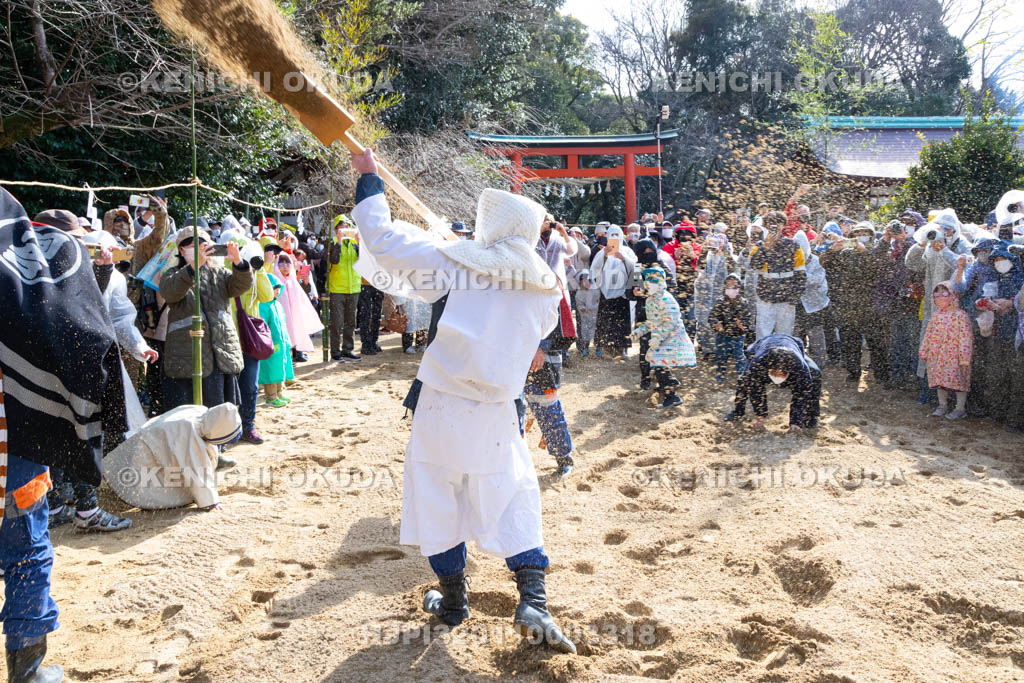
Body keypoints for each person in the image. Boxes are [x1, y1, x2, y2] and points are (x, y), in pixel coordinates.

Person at [349, 148, 575, 654]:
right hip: (499, 409)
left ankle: (454, 601)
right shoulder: (545, 286)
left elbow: (382, 242)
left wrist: (369, 180)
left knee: (437, 495)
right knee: (514, 494)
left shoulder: (452, 264)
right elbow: (532, 338)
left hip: (441, 406)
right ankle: (533, 599)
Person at [1, 187, 127, 681]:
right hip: (17, 439)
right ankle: (27, 664)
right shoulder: (19, 265)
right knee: (25, 544)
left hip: (19, 434)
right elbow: (73, 326)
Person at [159, 225, 254, 411]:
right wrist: (193, 267)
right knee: (189, 415)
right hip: (187, 356)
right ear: (181, 249)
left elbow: (240, 286)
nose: (200, 248)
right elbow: (170, 292)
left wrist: (238, 262)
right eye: (192, 245)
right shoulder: (172, 274)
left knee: (219, 414)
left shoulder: (218, 273)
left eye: (204, 244)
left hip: (220, 353)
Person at [103, 403, 241, 511]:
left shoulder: (200, 412)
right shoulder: (188, 433)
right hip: (134, 473)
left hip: (131, 453)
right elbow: (193, 472)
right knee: (186, 494)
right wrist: (210, 502)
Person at [821, 221, 890, 385]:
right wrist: (832, 250)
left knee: (877, 343)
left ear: (871, 235)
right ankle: (853, 372)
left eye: (865, 233)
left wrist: (864, 251)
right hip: (848, 306)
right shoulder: (846, 253)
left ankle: (880, 374)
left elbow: (877, 267)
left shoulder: (878, 251)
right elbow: (825, 263)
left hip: (871, 306)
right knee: (850, 342)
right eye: (858, 233)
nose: (861, 236)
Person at [906, 221, 961, 403]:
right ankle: (927, 391)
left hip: (953, 314)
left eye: (946, 229)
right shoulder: (930, 248)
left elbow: (963, 270)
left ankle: (950, 397)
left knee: (948, 354)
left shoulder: (962, 245)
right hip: (931, 311)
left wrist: (944, 250)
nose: (941, 233)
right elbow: (912, 263)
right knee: (929, 349)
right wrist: (921, 243)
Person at [725, 334, 822, 431]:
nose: (777, 376)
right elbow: (756, 390)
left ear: (789, 370)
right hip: (763, 345)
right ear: (769, 366)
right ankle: (738, 412)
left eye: (781, 374)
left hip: (793, 345)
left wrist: (796, 421)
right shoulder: (758, 363)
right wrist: (760, 416)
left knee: (815, 374)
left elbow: (802, 393)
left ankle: (812, 416)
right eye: (774, 372)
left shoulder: (800, 367)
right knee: (744, 379)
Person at [631, 266, 696, 407]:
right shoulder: (650, 300)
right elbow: (652, 322)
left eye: (653, 281)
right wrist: (639, 331)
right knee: (657, 361)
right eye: (647, 281)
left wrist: (658, 337)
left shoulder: (666, 299)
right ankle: (668, 383)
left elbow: (670, 322)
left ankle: (672, 396)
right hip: (661, 337)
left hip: (672, 337)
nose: (649, 284)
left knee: (658, 362)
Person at [873, 220, 923, 391]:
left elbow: (916, 260)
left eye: (906, 225)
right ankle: (897, 376)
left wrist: (904, 239)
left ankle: (913, 379)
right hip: (892, 303)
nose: (898, 231)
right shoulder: (886, 245)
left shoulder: (915, 243)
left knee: (913, 343)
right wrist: (886, 239)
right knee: (896, 342)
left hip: (912, 302)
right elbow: (874, 260)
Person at [919, 282, 973, 420]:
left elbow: (966, 337)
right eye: (937, 294)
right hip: (937, 355)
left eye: (945, 294)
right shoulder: (936, 315)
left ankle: (960, 408)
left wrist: (964, 356)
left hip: (955, 356)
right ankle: (942, 405)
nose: (940, 297)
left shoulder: (961, 316)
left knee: (959, 381)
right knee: (939, 381)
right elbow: (928, 334)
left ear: (953, 295)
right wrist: (925, 350)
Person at [748, 211, 806, 338]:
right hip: (765, 298)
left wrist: (795, 296)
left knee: (785, 335)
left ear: (783, 225)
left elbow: (801, 274)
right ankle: (762, 357)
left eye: (778, 222)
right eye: (771, 223)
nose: (775, 225)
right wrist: (766, 247)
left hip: (787, 298)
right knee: (763, 334)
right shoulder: (758, 246)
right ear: (766, 226)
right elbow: (754, 265)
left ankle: (784, 357)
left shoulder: (793, 246)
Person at [591, 226, 637, 361]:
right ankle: (606, 349)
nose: (615, 237)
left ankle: (622, 349)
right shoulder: (602, 252)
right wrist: (604, 255)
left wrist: (624, 259)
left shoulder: (628, 251)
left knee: (622, 323)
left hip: (623, 293)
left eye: (618, 234)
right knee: (606, 322)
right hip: (606, 293)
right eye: (612, 234)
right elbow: (595, 269)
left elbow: (636, 267)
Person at [258, 245, 294, 408]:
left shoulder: (277, 305)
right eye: (273, 288)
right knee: (271, 372)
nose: (276, 291)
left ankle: (279, 393)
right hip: (271, 345)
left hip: (282, 344)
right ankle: (271, 396)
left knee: (280, 370)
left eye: (278, 289)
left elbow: (283, 325)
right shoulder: (263, 306)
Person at [275, 252, 324, 362]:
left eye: (287, 264)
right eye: (281, 265)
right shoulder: (275, 281)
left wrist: (306, 283)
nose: (285, 268)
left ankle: (297, 352)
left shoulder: (293, 280)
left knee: (296, 330)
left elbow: (303, 292)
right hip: (281, 316)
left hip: (294, 314)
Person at [328, 216, 362, 362]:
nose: (343, 229)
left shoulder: (355, 243)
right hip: (337, 287)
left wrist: (360, 243)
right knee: (336, 322)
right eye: (340, 227)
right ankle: (335, 352)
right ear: (336, 229)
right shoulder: (333, 242)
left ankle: (348, 350)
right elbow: (334, 260)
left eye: (346, 226)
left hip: (354, 287)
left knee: (351, 321)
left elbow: (364, 260)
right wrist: (339, 241)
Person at [711, 274, 751, 383]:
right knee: (721, 355)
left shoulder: (743, 302)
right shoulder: (720, 301)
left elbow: (748, 318)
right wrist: (716, 324)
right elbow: (712, 316)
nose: (731, 289)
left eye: (734, 286)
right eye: (729, 286)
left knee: (739, 355)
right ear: (724, 287)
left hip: (738, 335)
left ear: (739, 287)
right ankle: (720, 374)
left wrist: (743, 324)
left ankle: (742, 375)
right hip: (722, 334)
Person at [574, 269, 599, 356]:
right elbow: (579, 304)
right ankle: (585, 348)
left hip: (596, 315)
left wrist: (594, 308)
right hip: (585, 316)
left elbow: (598, 301)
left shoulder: (596, 290)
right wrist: (582, 308)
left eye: (587, 280)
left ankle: (599, 349)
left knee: (597, 331)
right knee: (585, 332)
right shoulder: (579, 293)